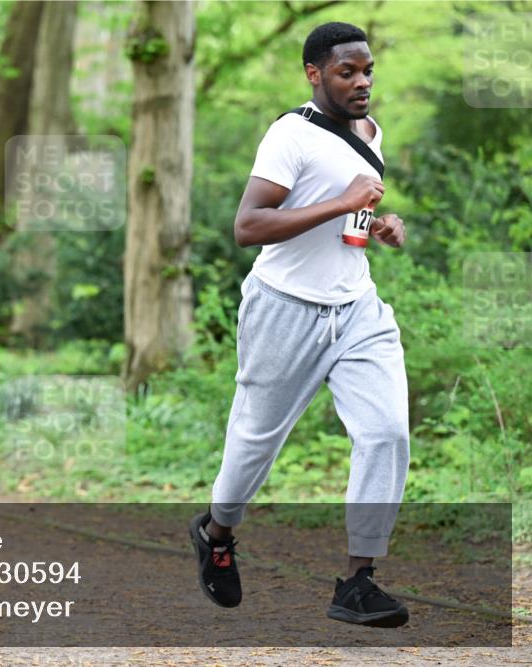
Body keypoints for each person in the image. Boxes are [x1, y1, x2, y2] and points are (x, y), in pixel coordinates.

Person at [189, 22, 410, 628]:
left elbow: (349, 220)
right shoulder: (290, 135)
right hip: (285, 307)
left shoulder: (369, 132)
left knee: (386, 432)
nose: (362, 81)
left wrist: (381, 225)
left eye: (367, 69)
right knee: (256, 442)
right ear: (315, 74)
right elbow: (249, 226)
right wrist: (343, 202)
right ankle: (216, 530)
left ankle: (359, 581)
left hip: (357, 308)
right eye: (347, 72)